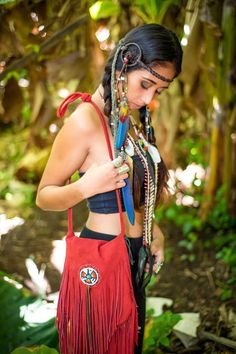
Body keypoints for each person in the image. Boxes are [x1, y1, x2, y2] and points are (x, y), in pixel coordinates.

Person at [36, 23, 182, 354]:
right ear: (123, 63)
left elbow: (129, 192)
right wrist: (86, 186)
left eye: (158, 91)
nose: (148, 98)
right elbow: (44, 196)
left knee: (129, 345)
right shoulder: (85, 121)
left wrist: (151, 229)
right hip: (101, 258)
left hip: (132, 252)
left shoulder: (125, 118)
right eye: (145, 84)